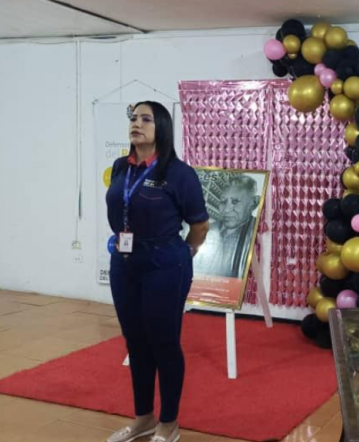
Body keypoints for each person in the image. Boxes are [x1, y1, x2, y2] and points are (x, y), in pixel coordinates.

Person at [105, 101, 209, 442]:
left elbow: (199, 225)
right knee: (135, 342)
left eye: (146, 119)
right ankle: (144, 418)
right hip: (124, 264)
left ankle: (169, 423)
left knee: (163, 343)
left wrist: (185, 252)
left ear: (161, 127)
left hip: (165, 265)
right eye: (133, 118)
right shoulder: (120, 167)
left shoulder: (179, 173)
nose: (136, 124)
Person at [193, 174, 259, 279]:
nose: (226, 209)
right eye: (223, 201)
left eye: (235, 201)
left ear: (254, 203)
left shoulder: (260, 233)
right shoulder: (208, 230)